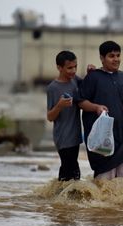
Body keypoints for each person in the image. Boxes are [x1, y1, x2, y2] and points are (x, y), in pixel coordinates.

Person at [78, 40, 123, 179]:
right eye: (111, 56)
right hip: (102, 138)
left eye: (118, 55)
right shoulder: (93, 77)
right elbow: (80, 102)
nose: (116, 59)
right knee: (105, 182)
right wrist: (96, 107)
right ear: (102, 58)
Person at [46, 50, 83, 181]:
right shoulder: (53, 88)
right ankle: (65, 198)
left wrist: (91, 72)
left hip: (75, 136)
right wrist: (60, 105)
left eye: (75, 67)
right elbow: (50, 117)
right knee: (72, 172)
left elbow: (88, 86)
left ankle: (58, 198)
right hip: (63, 137)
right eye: (69, 68)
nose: (73, 71)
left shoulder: (75, 80)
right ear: (59, 67)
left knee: (69, 172)